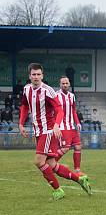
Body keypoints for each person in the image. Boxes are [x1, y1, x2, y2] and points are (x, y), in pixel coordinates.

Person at [18, 63, 91, 200]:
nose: (36, 77)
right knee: (51, 164)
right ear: (30, 76)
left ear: (42, 75)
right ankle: (80, 179)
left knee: (39, 161)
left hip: (48, 130)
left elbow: (59, 109)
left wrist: (57, 125)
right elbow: (24, 106)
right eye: (34, 74)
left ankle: (58, 191)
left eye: (39, 74)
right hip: (38, 131)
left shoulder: (48, 90)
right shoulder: (26, 89)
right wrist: (21, 124)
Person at [55, 76, 84, 173]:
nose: (65, 85)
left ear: (69, 84)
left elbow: (73, 110)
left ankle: (77, 170)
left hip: (71, 126)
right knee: (66, 148)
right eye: (63, 83)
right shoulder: (56, 96)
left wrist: (78, 122)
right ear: (60, 85)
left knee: (78, 147)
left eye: (66, 83)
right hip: (62, 126)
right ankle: (52, 164)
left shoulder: (72, 96)